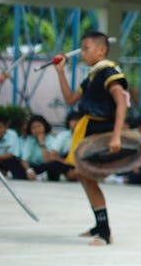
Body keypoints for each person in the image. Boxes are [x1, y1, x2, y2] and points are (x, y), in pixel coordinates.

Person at [53, 31, 130, 246]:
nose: (83, 53)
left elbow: (121, 103)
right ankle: (99, 225)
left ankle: (104, 232)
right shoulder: (93, 76)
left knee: (87, 176)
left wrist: (116, 136)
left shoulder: (109, 72)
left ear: (101, 50)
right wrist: (60, 71)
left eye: (86, 49)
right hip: (88, 131)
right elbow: (70, 99)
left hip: (102, 132)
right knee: (84, 177)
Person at [22, 114, 70, 181]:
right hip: (34, 167)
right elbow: (24, 160)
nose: (37, 129)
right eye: (33, 127)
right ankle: (35, 176)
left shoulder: (51, 139)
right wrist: (29, 170)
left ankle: (42, 177)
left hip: (47, 166)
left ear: (44, 126)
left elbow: (47, 160)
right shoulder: (30, 140)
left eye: (39, 126)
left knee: (53, 165)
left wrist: (42, 144)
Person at [0, 113, 30, 179]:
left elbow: (12, 154)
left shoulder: (12, 134)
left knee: (12, 161)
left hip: (6, 163)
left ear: (6, 127)